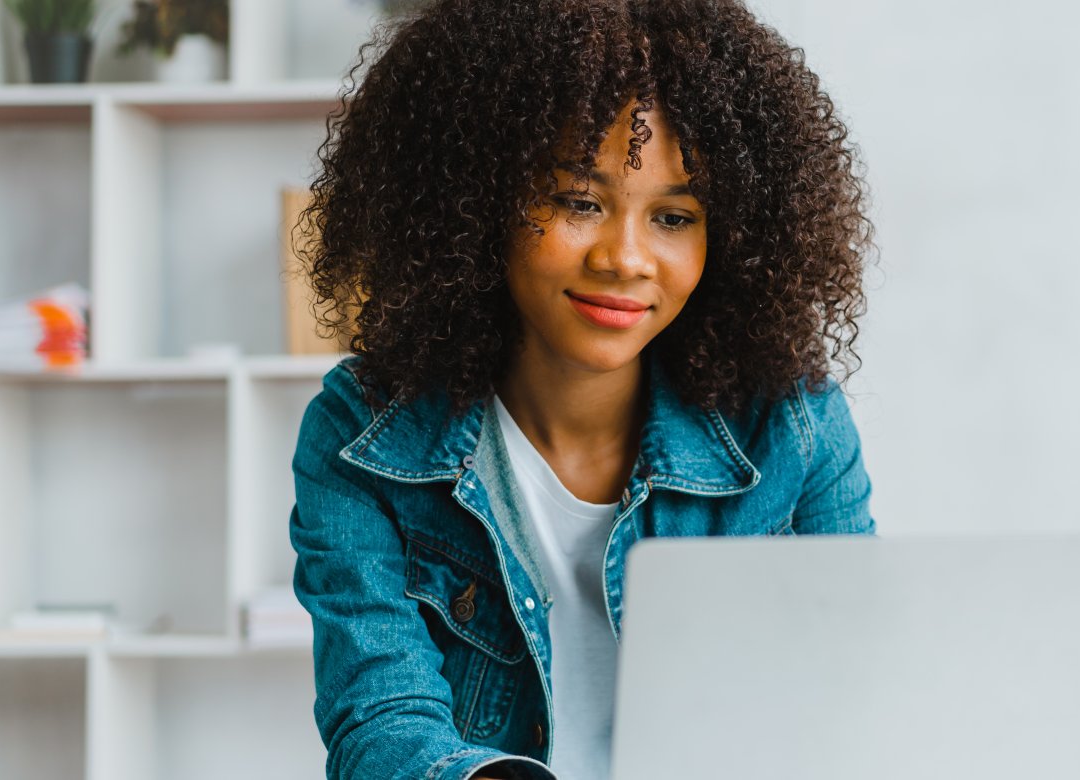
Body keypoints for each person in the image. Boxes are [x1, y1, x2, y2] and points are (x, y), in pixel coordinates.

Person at [287, 0, 875, 778]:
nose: (626, 258)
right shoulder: (362, 434)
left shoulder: (795, 427)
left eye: (673, 216)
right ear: (475, 200)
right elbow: (382, 725)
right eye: (579, 202)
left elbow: (859, 691)